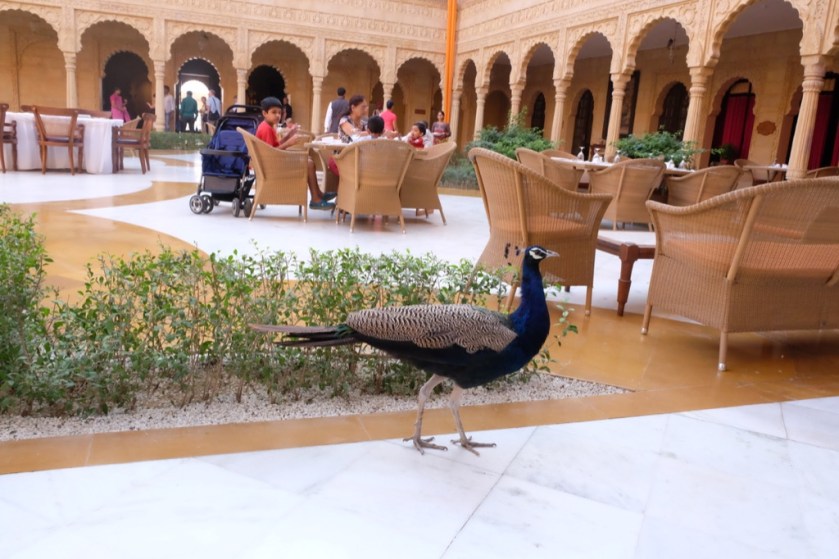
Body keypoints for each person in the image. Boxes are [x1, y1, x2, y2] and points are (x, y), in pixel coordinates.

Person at [255, 96, 335, 210]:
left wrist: (289, 135)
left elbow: (274, 146)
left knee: (309, 161)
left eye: (279, 112)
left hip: (272, 163)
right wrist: (289, 143)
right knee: (309, 164)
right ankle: (316, 199)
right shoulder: (266, 129)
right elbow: (271, 153)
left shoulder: (269, 126)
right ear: (264, 113)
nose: (277, 115)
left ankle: (318, 195)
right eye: (274, 112)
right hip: (271, 167)